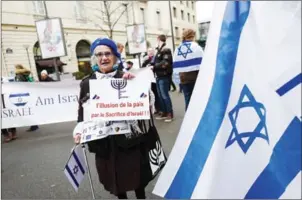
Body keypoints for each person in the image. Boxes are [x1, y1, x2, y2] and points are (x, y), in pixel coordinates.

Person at [74, 38, 162, 199]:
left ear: (115, 56)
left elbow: (147, 105)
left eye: (107, 53)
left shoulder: (127, 77)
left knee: (136, 174)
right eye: (99, 54)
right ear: (94, 58)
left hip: (130, 139)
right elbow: (82, 112)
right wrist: (80, 131)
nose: (103, 58)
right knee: (114, 177)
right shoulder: (87, 83)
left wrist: (136, 85)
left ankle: (141, 197)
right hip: (105, 141)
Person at [173, 29, 204, 111]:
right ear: (193, 36)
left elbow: (175, 66)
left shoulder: (178, 49)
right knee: (198, 100)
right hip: (196, 78)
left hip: (184, 79)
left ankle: (189, 120)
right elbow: (204, 62)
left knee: (187, 99)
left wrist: (177, 81)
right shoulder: (196, 47)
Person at [150, 35, 174, 122]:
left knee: (165, 95)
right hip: (158, 75)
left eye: (157, 40)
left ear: (159, 40)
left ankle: (169, 114)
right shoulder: (159, 50)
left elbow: (166, 62)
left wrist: (154, 66)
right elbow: (157, 61)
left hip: (164, 76)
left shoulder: (166, 49)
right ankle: (164, 112)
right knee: (160, 96)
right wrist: (152, 65)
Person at [15, 64, 39, 131]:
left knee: (27, 110)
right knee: (30, 110)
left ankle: (34, 126)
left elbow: (19, 85)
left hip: (23, 94)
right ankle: (34, 125)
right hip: (29, 93)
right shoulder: (25, 74)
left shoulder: (19, 76)